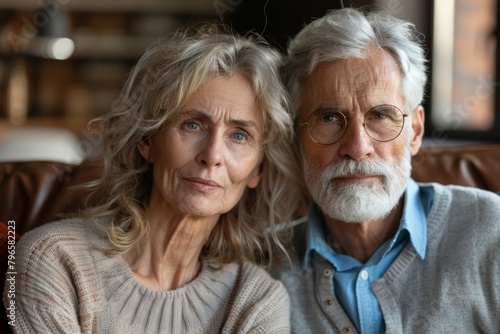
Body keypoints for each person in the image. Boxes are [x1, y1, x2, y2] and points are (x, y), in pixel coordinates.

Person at [5, 24, 306, 333]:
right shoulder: (55, 260)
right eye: (192, 125)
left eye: (240, 135)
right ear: (147, 140)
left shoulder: (256, 301)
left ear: (257, 170)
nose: (212, 155)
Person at [274, 7, 500, 334]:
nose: (357, 146)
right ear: (296, 137)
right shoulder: (263, 266)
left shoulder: (491, 233)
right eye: (328, 118)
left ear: (416, 132)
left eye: (380, 115)